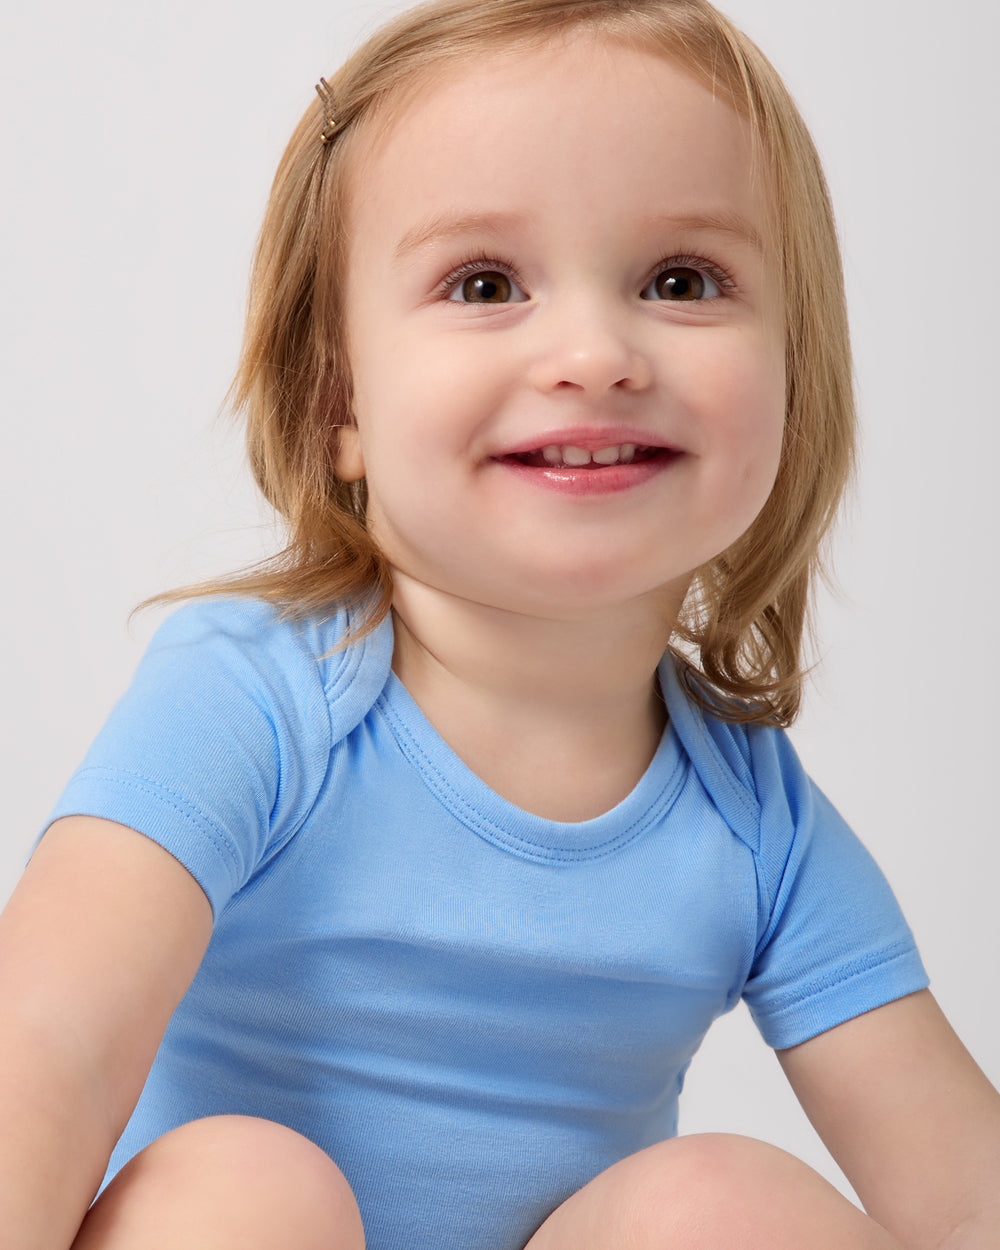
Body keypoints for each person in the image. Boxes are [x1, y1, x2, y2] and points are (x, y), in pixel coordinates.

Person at [2, 0, 998, 1245]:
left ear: (794, 387)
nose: (593, 351)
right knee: (240, 1187)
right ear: (337, 407)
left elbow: (964, 1195)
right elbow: (47, 1041)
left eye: (679, 280)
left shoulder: (753, 819)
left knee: (720, 1204)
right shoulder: (256, 697)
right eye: (485, 283)